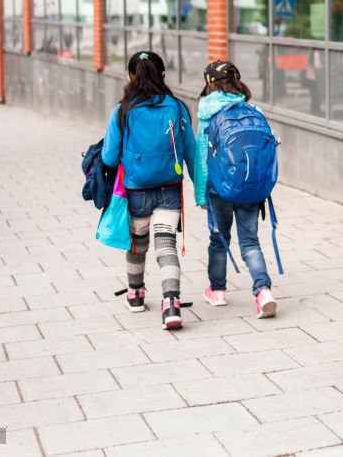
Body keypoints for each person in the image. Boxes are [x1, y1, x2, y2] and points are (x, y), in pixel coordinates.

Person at [102, 51, 197, 330]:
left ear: (131, 76)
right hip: (169, 186)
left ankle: (135, 295)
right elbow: (191, 152)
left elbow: (108, 158)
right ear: (163, 75)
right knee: (165, 245)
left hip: (136, 189)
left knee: (137, 244)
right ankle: (171, 305)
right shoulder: (177, 107)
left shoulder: (122, 110)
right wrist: (202, 191)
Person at [195, 60, 278, 319]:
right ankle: (263, 291)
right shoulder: (253, 110)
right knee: (250, 242)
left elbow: (201, 159)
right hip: (251, 188)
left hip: (220, 190)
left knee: (219, 240)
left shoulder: (208, 115)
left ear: (209, 84)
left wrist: (201, 195)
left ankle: (217, 291)